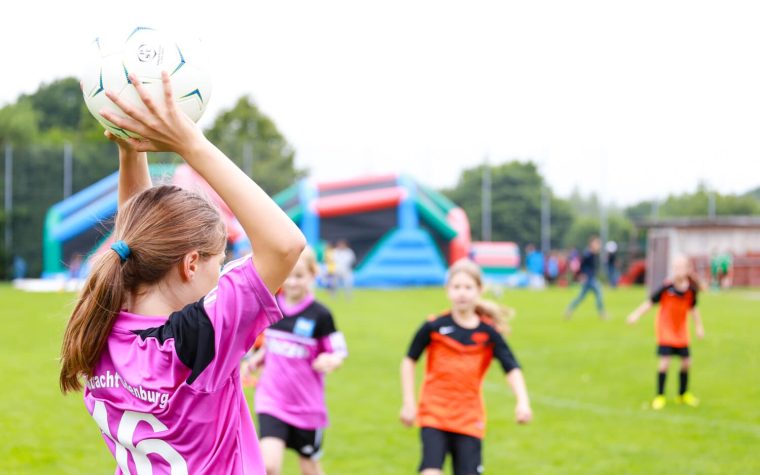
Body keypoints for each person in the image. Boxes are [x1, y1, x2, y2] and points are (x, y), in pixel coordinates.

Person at [58, 71, 306, 474]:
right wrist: (191, 143)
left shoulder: (102, 325)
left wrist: (130, 152)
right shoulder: (200, 337)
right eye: (218, 261)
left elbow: (137, 238)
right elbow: (285, 245)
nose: (222, 271)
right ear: (191, 264)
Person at [399, 259, 532, 475]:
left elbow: (511, 367)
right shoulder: (434, 326)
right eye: (457, 287)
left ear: (479, 290)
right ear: (448, 290)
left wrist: (522, 402)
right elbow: (409, 360)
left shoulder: (489, 333)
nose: (462, 293)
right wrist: (408, 402)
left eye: (468, 287)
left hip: (469, 418)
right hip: (434, 412)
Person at [242, 246, 347, 475]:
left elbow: (338, 349)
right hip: (272, 400)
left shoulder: (320, 315)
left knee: (309, 468)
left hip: (306, 407)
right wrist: (257, 360)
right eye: (288, 275)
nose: (291, 282)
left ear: (312, 275)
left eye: (299, 276)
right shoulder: (273, 307)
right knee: (268, 466)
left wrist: (331, 359)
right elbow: (272, 345)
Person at [626, 256, 705, 410]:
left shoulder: (691, 290)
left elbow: (694, 309)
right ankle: (660, 396)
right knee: (664, 363)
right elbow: (650, 302)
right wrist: (635, 315)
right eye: (675, 267)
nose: (678, 270)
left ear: (687, 269)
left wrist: (699, 327)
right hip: (666, 331)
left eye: (681, 267)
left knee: (686, 363)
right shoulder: (666, 288)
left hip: (681, 332)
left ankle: (683, 395)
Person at [564, 236, 607, 320]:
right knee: (599, 294)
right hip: (589, 279)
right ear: (591, 244)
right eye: (597, 243)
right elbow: (581, 265)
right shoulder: (587, 254)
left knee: (581, 297)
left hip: (590, 278)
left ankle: (569, 309)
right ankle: (602, 314)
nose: (599, 245)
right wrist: (581, 275)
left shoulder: (593, 254)